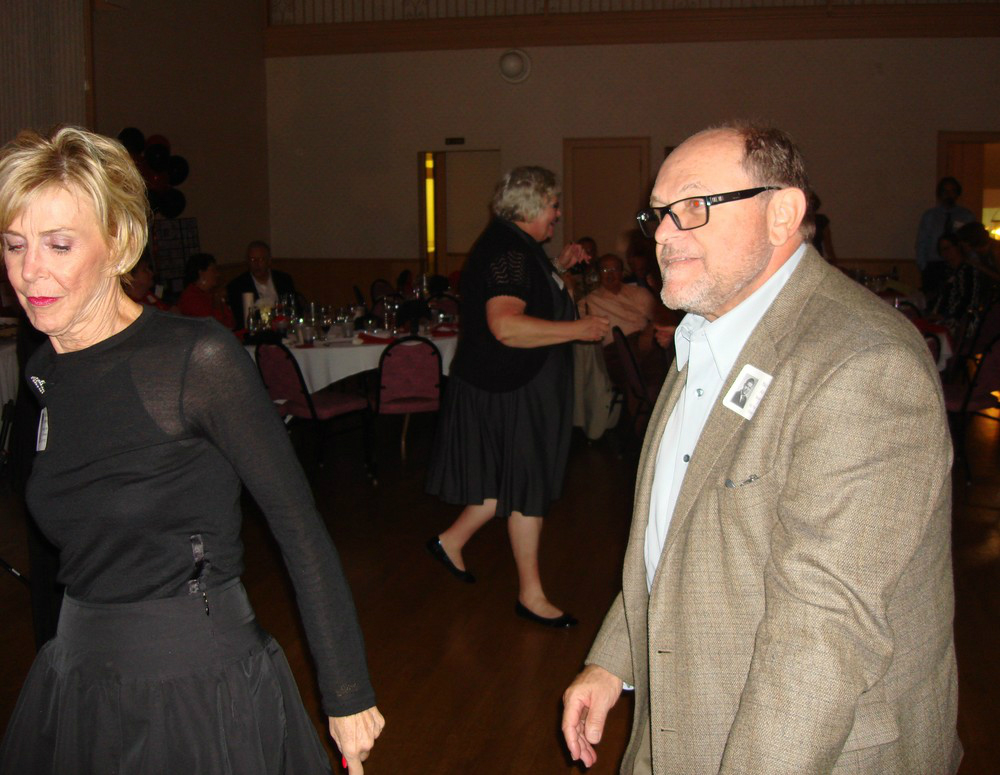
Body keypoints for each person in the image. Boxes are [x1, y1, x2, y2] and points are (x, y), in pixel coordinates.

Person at [562, 122, 961, 774]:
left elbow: (822, 633)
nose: (662, 234)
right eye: (659, 213)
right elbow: (675, 535)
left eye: (695, 206)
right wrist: (615, 659)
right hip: (688, 713)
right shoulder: (707, 332)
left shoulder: (861, 363)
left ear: (782, 214)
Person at [0, 126, 383, 775]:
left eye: (58, 244)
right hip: (80, 679)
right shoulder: (45, 371)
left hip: (195, 682)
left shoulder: (193, 360)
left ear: (119, 244)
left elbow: (298, 525)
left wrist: (348, 693)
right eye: (14, 244)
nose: (29, 270)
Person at [425, 166, 608, 627]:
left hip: (512, 384)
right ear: (532, 206)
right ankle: (531, 595)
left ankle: (450, 542)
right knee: (526, 488)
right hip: (511, 388)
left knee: (501, 484)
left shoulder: (516, 245)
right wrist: (578, 329)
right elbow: (506, 326)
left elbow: (525, 291)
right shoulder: (508, 250)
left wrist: (558, 267)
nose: (557, 214)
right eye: (553, 205)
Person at [916, 176, 975, 304]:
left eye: (952, 191)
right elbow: (922, 242)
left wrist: (970, 264)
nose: (949, 195)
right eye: (945, 191)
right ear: (939, 194)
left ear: (957, 193)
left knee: (957, 300)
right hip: (934, 265)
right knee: (933, 302)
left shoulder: (966, 216)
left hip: (959, 265)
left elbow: (972, 242)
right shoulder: (930, 216)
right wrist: (924, 267)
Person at [226, 240, 297, 327]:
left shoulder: (283, 279)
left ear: (269, 261)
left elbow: (294, 309)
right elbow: (240, 318)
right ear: (247, 262)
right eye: (252, 260)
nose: (256, 264)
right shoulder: (237, 285)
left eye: (261, 259)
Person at [177, 252, 235, 329]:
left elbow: (231, 322)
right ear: (201, 273)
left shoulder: (211, 293)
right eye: (213, 270)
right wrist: (217, 304)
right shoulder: (191, 297)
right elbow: (213, 326)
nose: (217, 274)